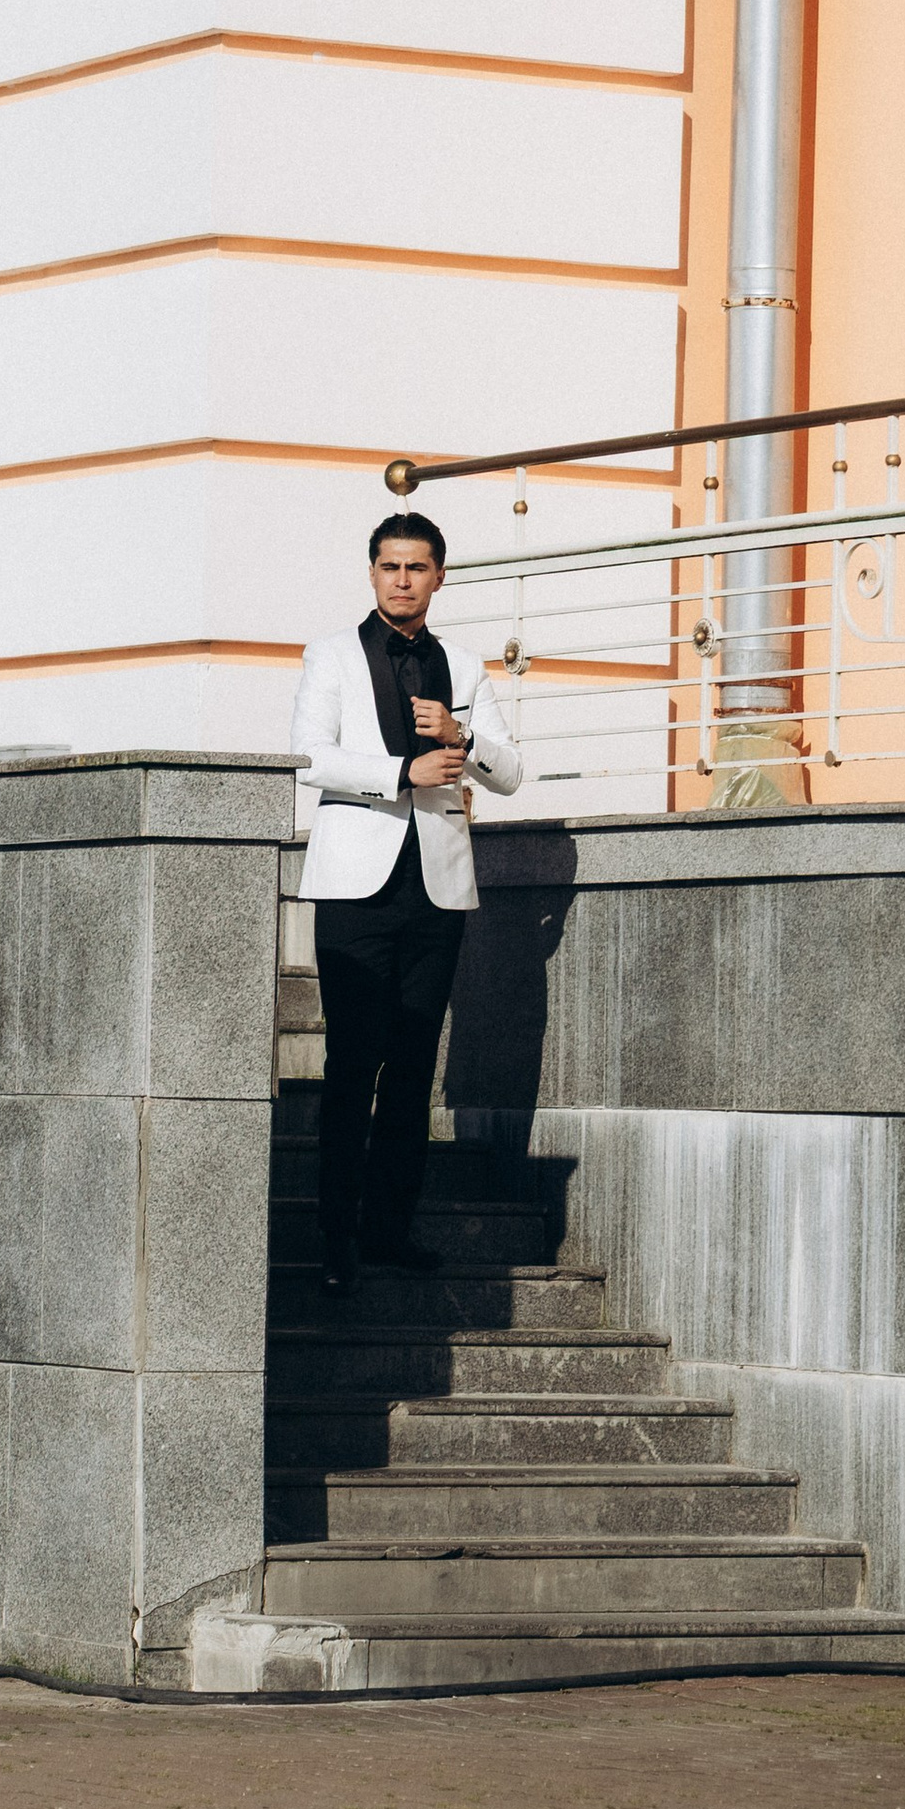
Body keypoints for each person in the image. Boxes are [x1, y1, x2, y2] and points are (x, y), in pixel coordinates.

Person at [291, 511, 522, 1299]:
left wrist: (461, 733)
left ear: (438, 577)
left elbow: (509, 771)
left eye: (416, 567)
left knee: (415, 1063)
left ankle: (392, 1229)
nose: (401, 579)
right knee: (354, 1062)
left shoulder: (461, 664)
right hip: (357, 886)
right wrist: (400, 772)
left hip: (437, 887)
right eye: (389, 566)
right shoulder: (331, 655)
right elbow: (310, 758)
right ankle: (335, 1239)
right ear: (372, 572)